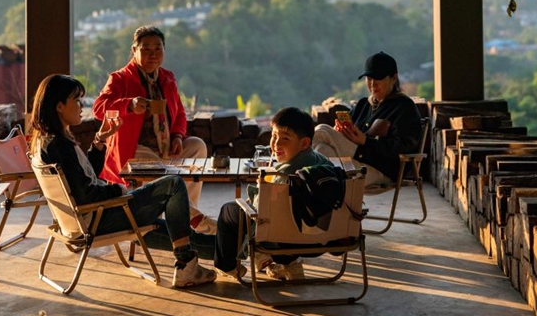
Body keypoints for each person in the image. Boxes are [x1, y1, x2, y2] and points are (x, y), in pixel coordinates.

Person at [29, 74, 216, 288]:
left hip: (82, 221)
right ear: (59, 106)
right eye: (76, 100)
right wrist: (118, 190)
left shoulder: (46, 143)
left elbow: (82, 178)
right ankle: (186, 264)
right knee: (173, 184)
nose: (81, 106)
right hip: (98, 219)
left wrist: (99, 141)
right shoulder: (60, 145)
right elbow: (85, 194)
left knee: (159, 226)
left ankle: (225, 252)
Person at [92, 26, 216, 234]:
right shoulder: (120, 78)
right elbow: (98, 108)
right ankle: (193, 219)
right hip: (134, 150)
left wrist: (177, 136)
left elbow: (180, 115)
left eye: (158, 48)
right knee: (153, 169)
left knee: (197, 146)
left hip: (165, 146)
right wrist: (129, 104)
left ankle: (186, 211)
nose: (153, 54)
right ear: (134, 50)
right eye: (146, 49)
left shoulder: (167, 78)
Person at [214, 107, 334, 282]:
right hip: (323, 238)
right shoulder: (325, 164)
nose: (276, 144)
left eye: (285, 138)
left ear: (304, 143)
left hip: (283, 239)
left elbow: (260, 210)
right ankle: (288, 265)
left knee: (229, 211)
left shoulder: (283, 176)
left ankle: (227, 266)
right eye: (274, 136)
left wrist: (259, 188)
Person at [312, 51, 422, 187]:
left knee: (321, 130)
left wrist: (365, 141)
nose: (372, 84)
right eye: (369, 78)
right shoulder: (363, 105)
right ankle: (329, 199)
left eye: (378, 78)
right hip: (354, 162)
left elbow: (404, 147)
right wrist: (341, 132)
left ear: (394, 78)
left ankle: (294, 175)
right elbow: (345, 139)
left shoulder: (404, 107)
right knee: (322, 150)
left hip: (381, 170)